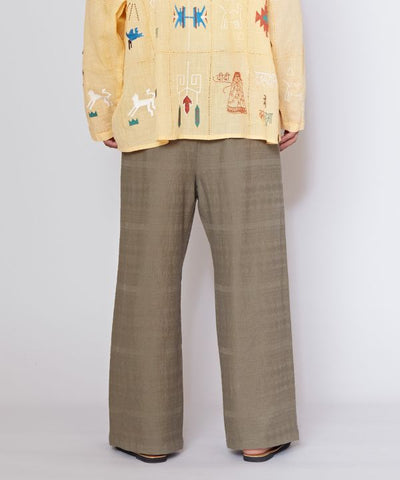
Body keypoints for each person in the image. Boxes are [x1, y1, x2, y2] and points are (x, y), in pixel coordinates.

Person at [82, 0, 305, 463]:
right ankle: (259, 429)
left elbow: (103, 16)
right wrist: (289, 105)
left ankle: (144, 433)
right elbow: (282, 13)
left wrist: (102, 109)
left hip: (152, 105)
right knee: (253, 276)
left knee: (146, 280)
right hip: (245, 107)